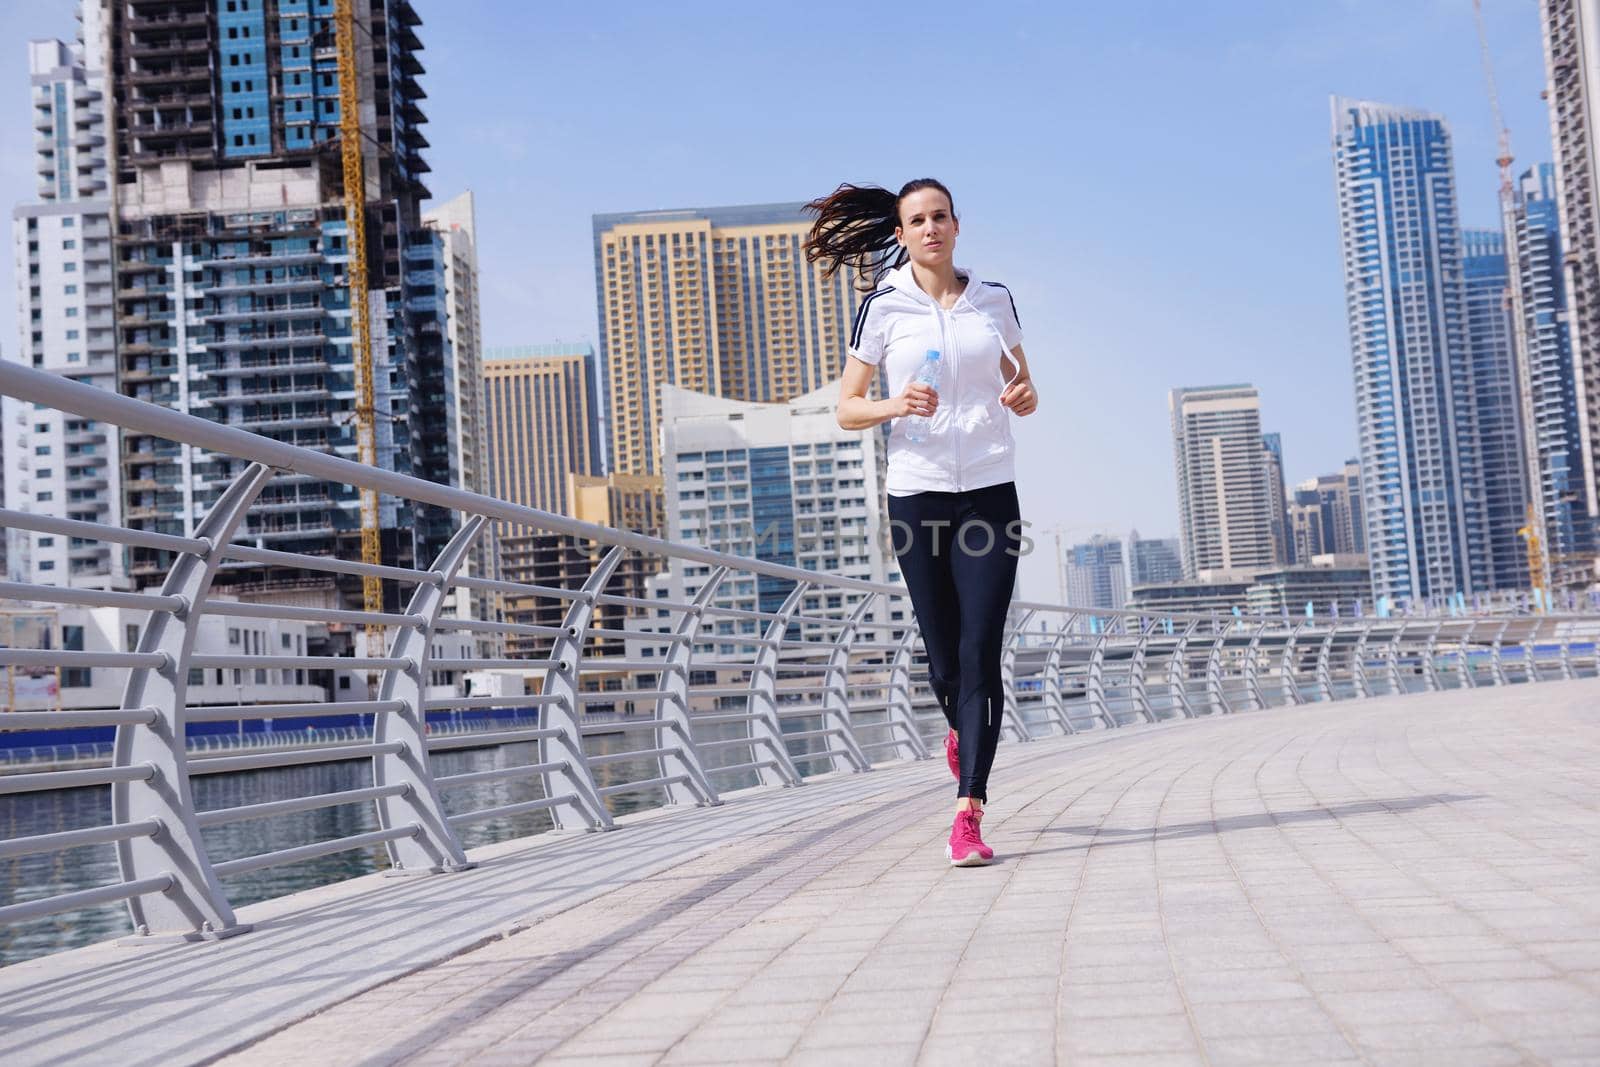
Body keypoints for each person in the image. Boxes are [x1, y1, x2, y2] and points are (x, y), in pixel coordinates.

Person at [803, 178, 1039, 866]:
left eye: (940, 216)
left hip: (990, 494)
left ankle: (969, 809)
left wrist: (1022, 394)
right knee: (942, 658)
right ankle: (963, 733)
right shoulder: (884, 305)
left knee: (979, 653)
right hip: (918, 495)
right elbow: (846, 406)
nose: (930, 228)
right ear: (901, 234)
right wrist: (894, 403)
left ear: (957, 226)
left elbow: (1025, 389)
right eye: (917, 220)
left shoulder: (994, 300)